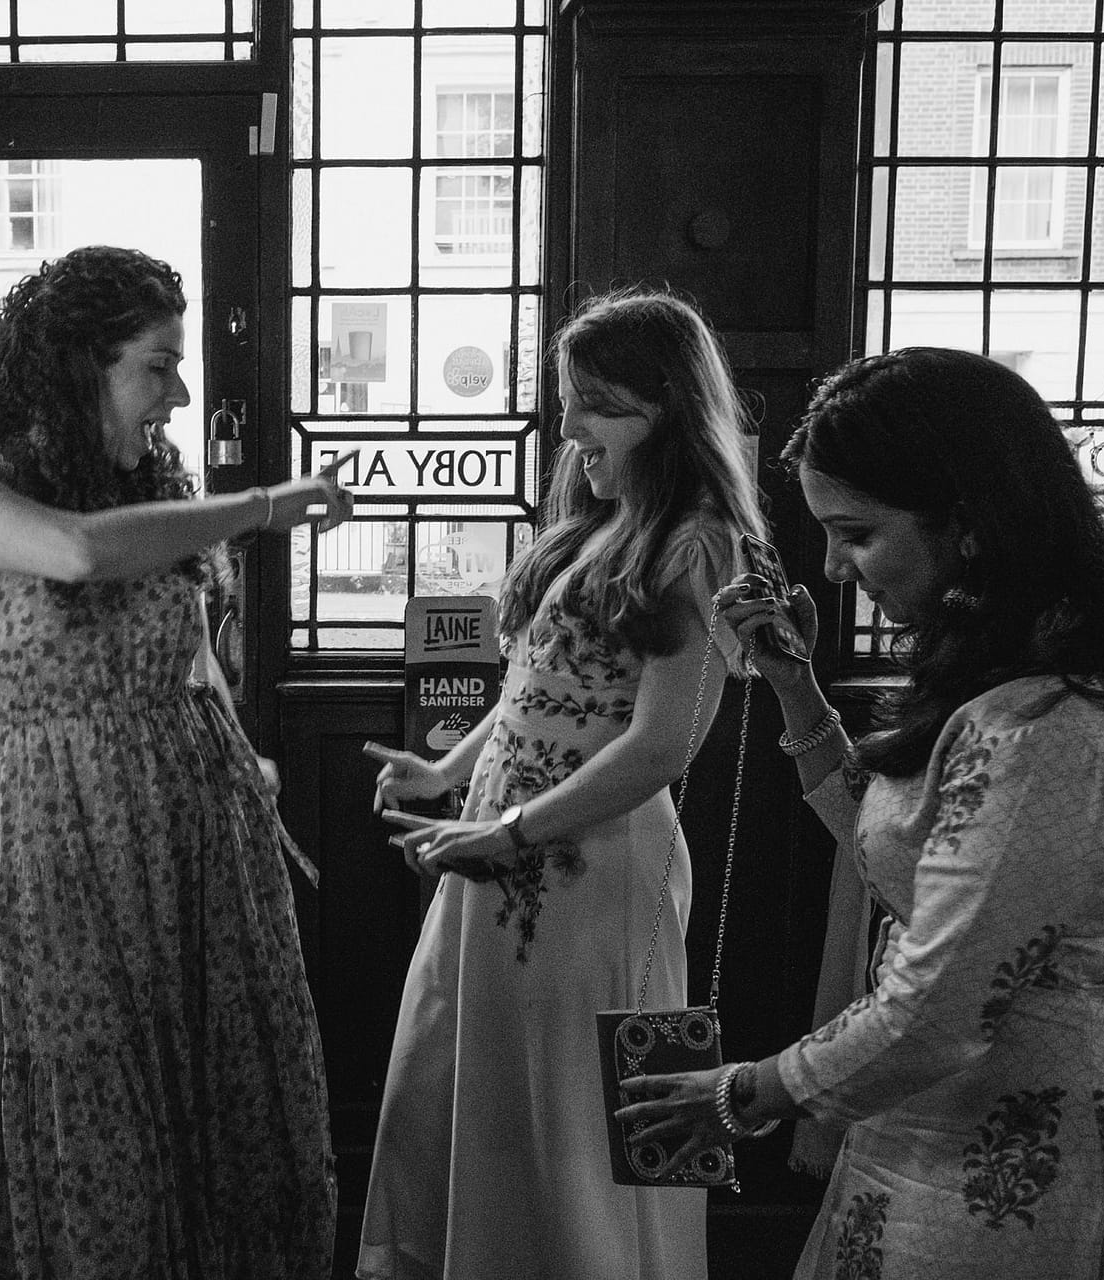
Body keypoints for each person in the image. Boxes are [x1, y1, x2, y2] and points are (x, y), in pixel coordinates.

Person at [615, 347, 1104, 1278]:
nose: (832, 567)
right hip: (936, 1138)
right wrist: (795, 687)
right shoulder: (1011, 669)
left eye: (858, 534)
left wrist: (743, 1093)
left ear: (966, 524)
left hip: (1027, 1180)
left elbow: (936, 1010)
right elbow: (904, 855)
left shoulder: (1051, 728)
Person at [0, 244, 349, 1279]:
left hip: (193, 827)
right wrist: (267, 505)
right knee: (95, 1104)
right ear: (76, 364)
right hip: (55, 839)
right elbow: (78, 553)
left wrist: (250, 770)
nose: (179, 393)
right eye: (158, 364)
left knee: (223, 1094)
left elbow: (192, 654)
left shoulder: (157, 485)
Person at [360, 288, 769, 1280]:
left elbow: (659, 747)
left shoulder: (698, 542)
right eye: (567, 397)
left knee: (570, 1104)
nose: (571, 425)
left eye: (598, 403)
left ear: (667, 407)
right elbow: (539, 686)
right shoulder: (597, 522)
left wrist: (508, 832)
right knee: (470, 1074)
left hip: (587, 867)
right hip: (495, 852)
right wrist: (450, 770)